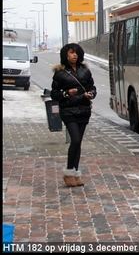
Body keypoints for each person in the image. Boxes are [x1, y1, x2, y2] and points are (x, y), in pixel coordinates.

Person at [51, 43, 97, 187]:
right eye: (71, 53)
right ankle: (69, 172)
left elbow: (92, 87)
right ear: (66, 55)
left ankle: (75, 174)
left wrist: (91, 94)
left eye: (76, 53)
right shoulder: (60, 73)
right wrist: (66, 93)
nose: (74, 55)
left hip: (84, 110)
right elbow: (54, 94)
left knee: (78, 143)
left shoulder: (85, 71)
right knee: (75, 140)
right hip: (68, 110)